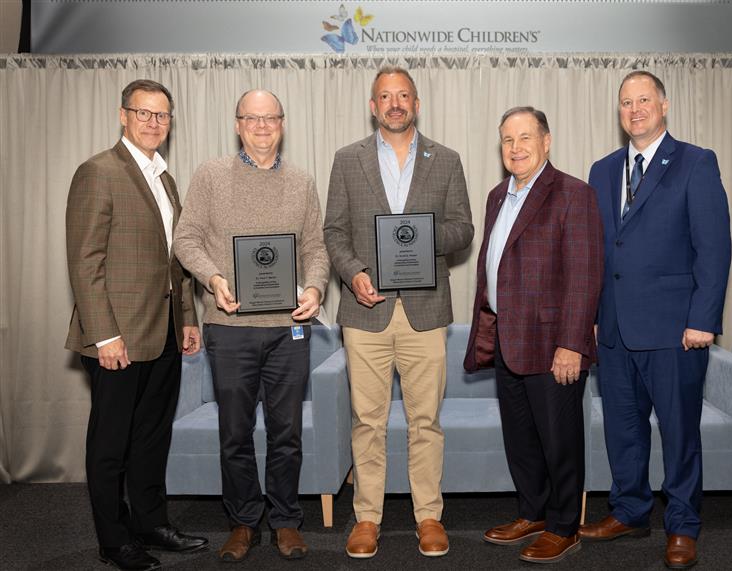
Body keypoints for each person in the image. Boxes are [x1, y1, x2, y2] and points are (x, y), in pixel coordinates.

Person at [579, 71, 732, 569]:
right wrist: (596, 316)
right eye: (626, 102)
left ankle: (683, 523)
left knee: (679, 430)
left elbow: (714, 248)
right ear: (619, 111)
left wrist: (704, 319)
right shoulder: (601, 171)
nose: (635, 109)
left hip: (676, 330)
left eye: (644, 99)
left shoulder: (695, 162)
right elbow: (597, 251)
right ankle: (629, 511)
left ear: (663, 105)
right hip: (616, 330)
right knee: (623, 430)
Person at [323, 66, 473, 558]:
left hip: (425, 311)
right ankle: (367, 517)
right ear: (373, 106)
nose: (394, 103)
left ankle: (428, 515)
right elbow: (334, 232)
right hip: (366, 311)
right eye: (384, 96)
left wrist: (420, 236)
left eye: (402, 95)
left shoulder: (446, 160)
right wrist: (354, 272)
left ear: (416, 103)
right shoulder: (348, 160)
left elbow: (463, 229)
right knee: (367, 421)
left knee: (424, 420)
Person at [173, 89, 329, 562]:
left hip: (289, 330)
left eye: (271, 118)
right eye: (252, 118)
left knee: (287, 433)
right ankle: (243, 521)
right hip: (229, 328)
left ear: (282, 124)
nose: (262, 126)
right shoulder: (210, 175)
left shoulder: (302, 182)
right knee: (235, 433)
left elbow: (316, 249)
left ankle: (284, 520)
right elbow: (186, 238)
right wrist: (213, 277)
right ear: (238, 124)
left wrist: (315, 289)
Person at [65, 79, 208, 571]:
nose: (153, 123)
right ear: (123, 115)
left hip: (164, 330)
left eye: (162, 116)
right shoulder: (98, 172)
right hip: (118, 337)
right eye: (144, 113)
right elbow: (85, 262)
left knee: (151, 436)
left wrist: (187, 318)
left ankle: (150, 523)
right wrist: (104, 334)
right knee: (111, 443)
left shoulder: (164, 177)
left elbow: (175, 260)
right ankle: (113, 539)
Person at [464, 107, 604, 564]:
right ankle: (535, 512)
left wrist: (572, 342)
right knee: (521, 438)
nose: (516, 147)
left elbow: (584, 276)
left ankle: (564, 526)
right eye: (507, 139)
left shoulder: (572, 193)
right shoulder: (495, 196)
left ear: (547, 141)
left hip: (553, 345)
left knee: (560, 439)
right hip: (508, 338)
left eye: (526, 137)